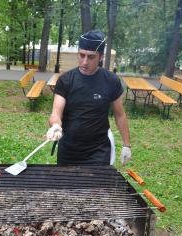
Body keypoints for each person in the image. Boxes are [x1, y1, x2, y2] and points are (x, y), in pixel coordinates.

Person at [46, 30, 131, 166]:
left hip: (98, 150)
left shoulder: (111, 81)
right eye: (82, 55)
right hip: (69, 149)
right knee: (67, 186)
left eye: (91, 57)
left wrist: (127, 145)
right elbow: (56, 113)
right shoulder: (66, 80)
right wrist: (55, 125)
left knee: (96, 186)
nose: (84, 62)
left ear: (101, 57)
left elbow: (120, 115)